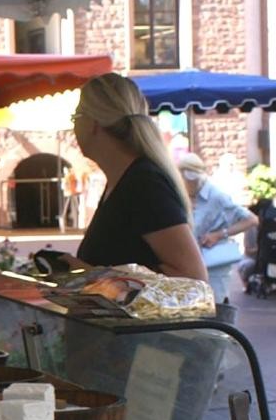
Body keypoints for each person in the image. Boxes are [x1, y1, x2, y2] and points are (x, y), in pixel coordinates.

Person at [72, 73, 208, 282]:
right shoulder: (124, 181)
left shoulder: (143, 184)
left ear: (93, 124)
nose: (73, 128)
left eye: (75, 118)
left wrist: (92, 274)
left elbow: (193, 277)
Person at [179, 152, 257, 303]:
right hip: (192, 263)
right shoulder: (184, 195)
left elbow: (251, 220)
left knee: (214, 306)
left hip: (214, 264)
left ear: (192, 177)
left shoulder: (216, 196)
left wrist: (219, 234)